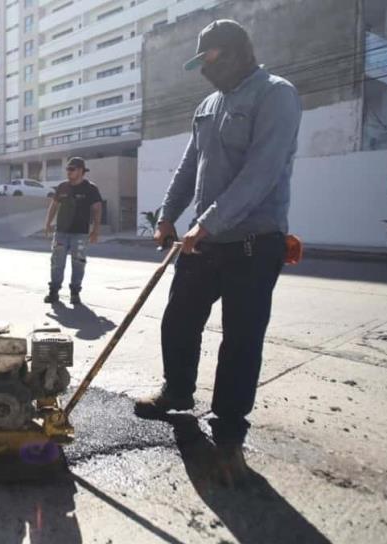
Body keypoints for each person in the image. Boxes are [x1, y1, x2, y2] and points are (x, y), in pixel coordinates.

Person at [133, 20, 302, 485]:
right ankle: (177, 392)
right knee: (178, 319)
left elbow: (263, 171)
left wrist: (208, 222)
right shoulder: (208, 105)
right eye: (200, 65)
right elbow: (192, 164)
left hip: (252, 243)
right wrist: (168, 214)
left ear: (237, 52)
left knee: (241, 339)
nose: (205, 73)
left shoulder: (276, 94)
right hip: (202, 243)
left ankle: (228, 430)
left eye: (211, 61)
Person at [43, 157, 103, 305]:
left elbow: (97, 209)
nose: (68, 172)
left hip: (80, 234)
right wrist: (48, 223)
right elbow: (54, 205)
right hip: (61, 232)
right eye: (67, 169)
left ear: (81, 171)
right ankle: (54, 292)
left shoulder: (90, 188)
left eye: (72, 169)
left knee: (78, 263)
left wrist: (96, 230)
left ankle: (75, 293)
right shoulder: (62, 187)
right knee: (57, 262)